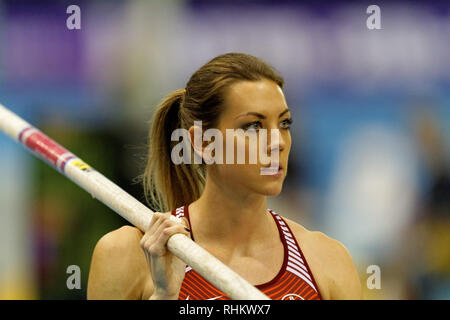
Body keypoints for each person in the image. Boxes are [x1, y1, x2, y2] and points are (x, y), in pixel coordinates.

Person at [86, 53, 362, 300]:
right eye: (253, 126)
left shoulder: (325, 260)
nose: (277, 142)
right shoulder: (129, 254)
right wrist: (164, 296)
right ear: (203, 142)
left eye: (284, 123)